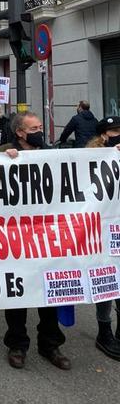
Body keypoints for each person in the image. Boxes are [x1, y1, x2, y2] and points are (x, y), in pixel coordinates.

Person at [0, 111, 71, 370]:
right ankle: (17, 344)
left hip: (45, 237)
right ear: (19, 132)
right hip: (15, 235)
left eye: (40, 126)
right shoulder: (3, 151)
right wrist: (3, 161)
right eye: (34, 127)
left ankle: (50, 343)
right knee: (17, 293)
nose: (40, 131)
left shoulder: (48, 152)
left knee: (47, 292)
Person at [89, 116, 120, 360]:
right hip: (102, 230)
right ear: (104, 134)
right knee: (107, 282)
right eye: (114, 131)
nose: (118, 134)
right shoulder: (91, 155)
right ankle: (104, 331)